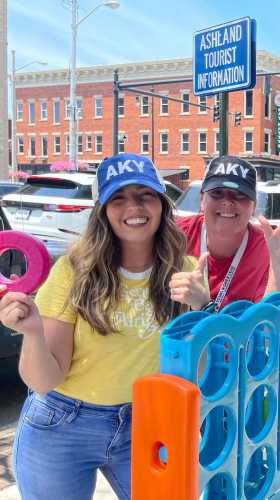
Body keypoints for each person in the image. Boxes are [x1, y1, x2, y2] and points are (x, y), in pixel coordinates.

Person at [0, 153, 208, 500]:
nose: (134, 207)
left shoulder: (187, 271)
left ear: (161, 204)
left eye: (145, 194)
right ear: (103, 210)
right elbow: (44, 380)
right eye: (118, 198)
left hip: (146, 424)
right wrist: (32, 332)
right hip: (62, 424)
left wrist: (202, 309)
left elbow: (197, 373)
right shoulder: (73, 271)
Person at [175, 155, 280, 312]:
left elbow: (271, 326)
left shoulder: (266, 248)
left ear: (254, 206)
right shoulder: (176, 234)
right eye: (217, 193)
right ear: (202, 200)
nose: (227, 201)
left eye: (240, 195)